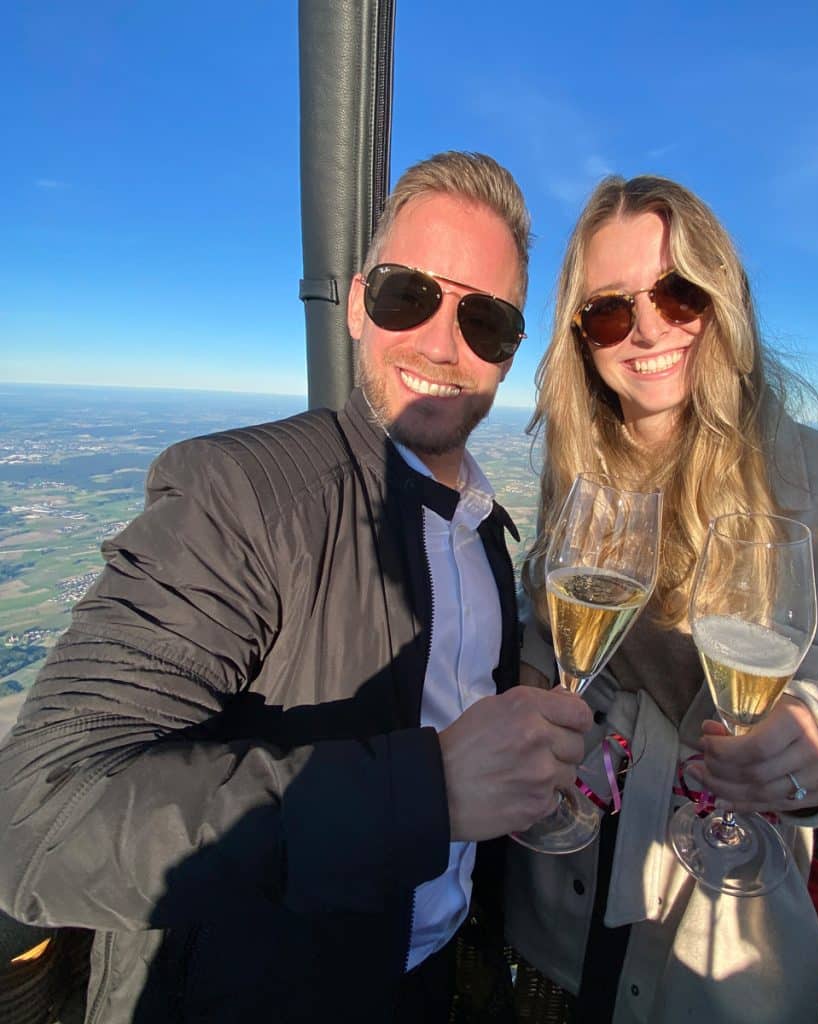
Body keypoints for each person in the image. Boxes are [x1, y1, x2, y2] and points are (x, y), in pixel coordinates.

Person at [0, 151, 593, 1023]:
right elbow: (40, 820)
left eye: (486, 321)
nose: (441, 342)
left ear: (508, 355)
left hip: (434, 977)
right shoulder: (241, 497)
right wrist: (425, 793)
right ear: (357, 304)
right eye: (408, 295)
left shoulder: (484, 532)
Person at [505, 175, 818, 1024]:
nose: (646, 329)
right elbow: (549, 639)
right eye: (609, 310)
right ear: (580, 338)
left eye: (677, 294)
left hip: (730, 937)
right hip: (562, 904)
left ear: (724, 299)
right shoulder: (579, 469)